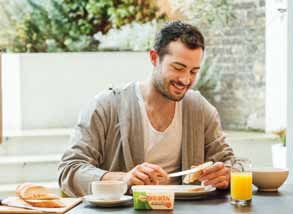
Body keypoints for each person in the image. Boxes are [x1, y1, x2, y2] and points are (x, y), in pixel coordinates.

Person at [58, 21, 235, 197]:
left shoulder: (200, 109)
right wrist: (123, 179)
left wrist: (226, 175)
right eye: (178, 68)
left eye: (193, 71)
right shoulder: (107, 106)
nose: (185, 80)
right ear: (153, 58)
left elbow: (232, 164)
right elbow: (69, 170)